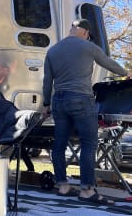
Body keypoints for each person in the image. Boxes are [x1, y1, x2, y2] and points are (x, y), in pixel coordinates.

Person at [42, 19, 131, 205]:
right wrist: (126, 72)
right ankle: (87, 190)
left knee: (59, 145)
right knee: (89, 144)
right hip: (81, 99)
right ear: (85, 32)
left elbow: (47, 81)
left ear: (72, 29)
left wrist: (45, 104)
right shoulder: (88, 47)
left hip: (58, 100)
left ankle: (63, 186)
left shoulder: (53, 50)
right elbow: (108, 63)